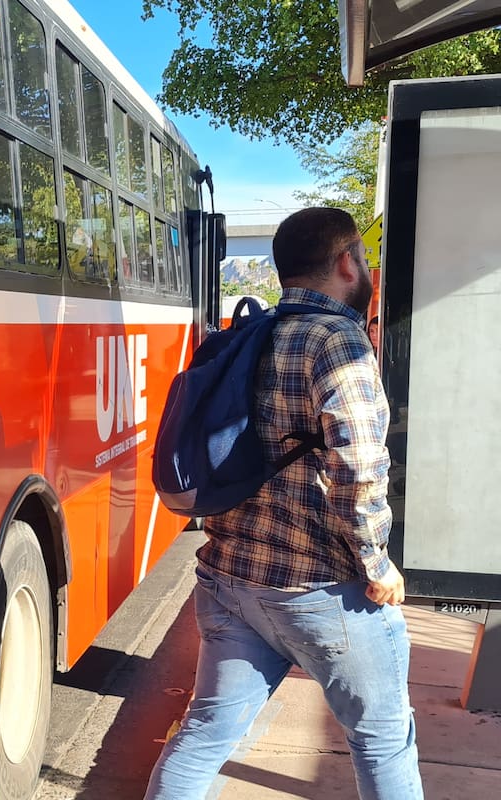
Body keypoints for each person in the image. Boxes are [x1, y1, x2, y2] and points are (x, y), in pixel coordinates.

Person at [144, 208, 422, 800]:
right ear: (348, 263)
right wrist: (376, 565)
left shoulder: (254, 332)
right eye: (364, 259)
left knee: (203, 738)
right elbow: (360, 467)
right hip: (321, 592)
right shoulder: (339, 340)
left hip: (230, 583)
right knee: (383, 740)